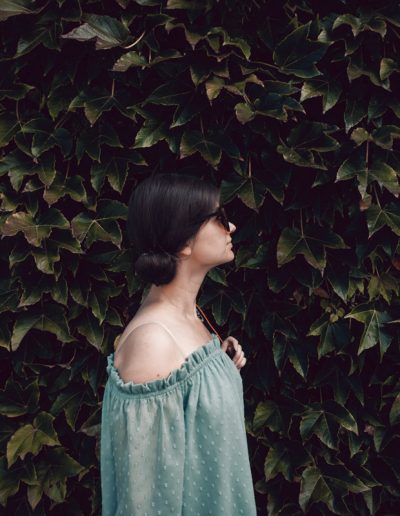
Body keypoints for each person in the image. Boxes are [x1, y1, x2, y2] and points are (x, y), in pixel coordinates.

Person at [100, 173, 257, 515]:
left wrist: (218, 374)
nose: (231, 228)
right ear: (183, 241)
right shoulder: (153, 341)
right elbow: (145, 502)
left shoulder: (189, 317)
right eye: (220, 218)